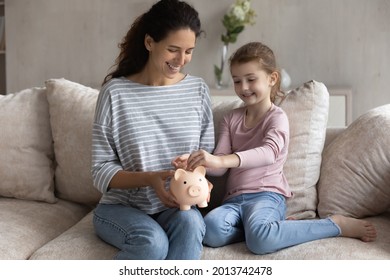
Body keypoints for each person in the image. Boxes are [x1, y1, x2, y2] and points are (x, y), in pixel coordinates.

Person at [173, 42, 377, 255]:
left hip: (266, 196)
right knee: (211, 231)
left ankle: (335, 225)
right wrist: (197, 161)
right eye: (237, 81)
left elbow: (269, 153)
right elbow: (219, 166)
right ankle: (270, 229)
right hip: (233, 200)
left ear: (272, 79)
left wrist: (221, 160)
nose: (243, 87)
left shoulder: (276, 117)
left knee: (260, 242)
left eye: (251, 79)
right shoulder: (231, 119)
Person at [91, 0, 215, 260]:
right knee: (152, 243)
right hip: (122, 208)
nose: (181, 60)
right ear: (149, 43)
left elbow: (206, 153)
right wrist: (150, 179)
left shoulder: (198, 90)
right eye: (173, 49)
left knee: (192, 224)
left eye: (189, 51)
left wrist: (198, 173)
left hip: (176, 204)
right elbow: (100, 170)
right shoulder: (115, 93)